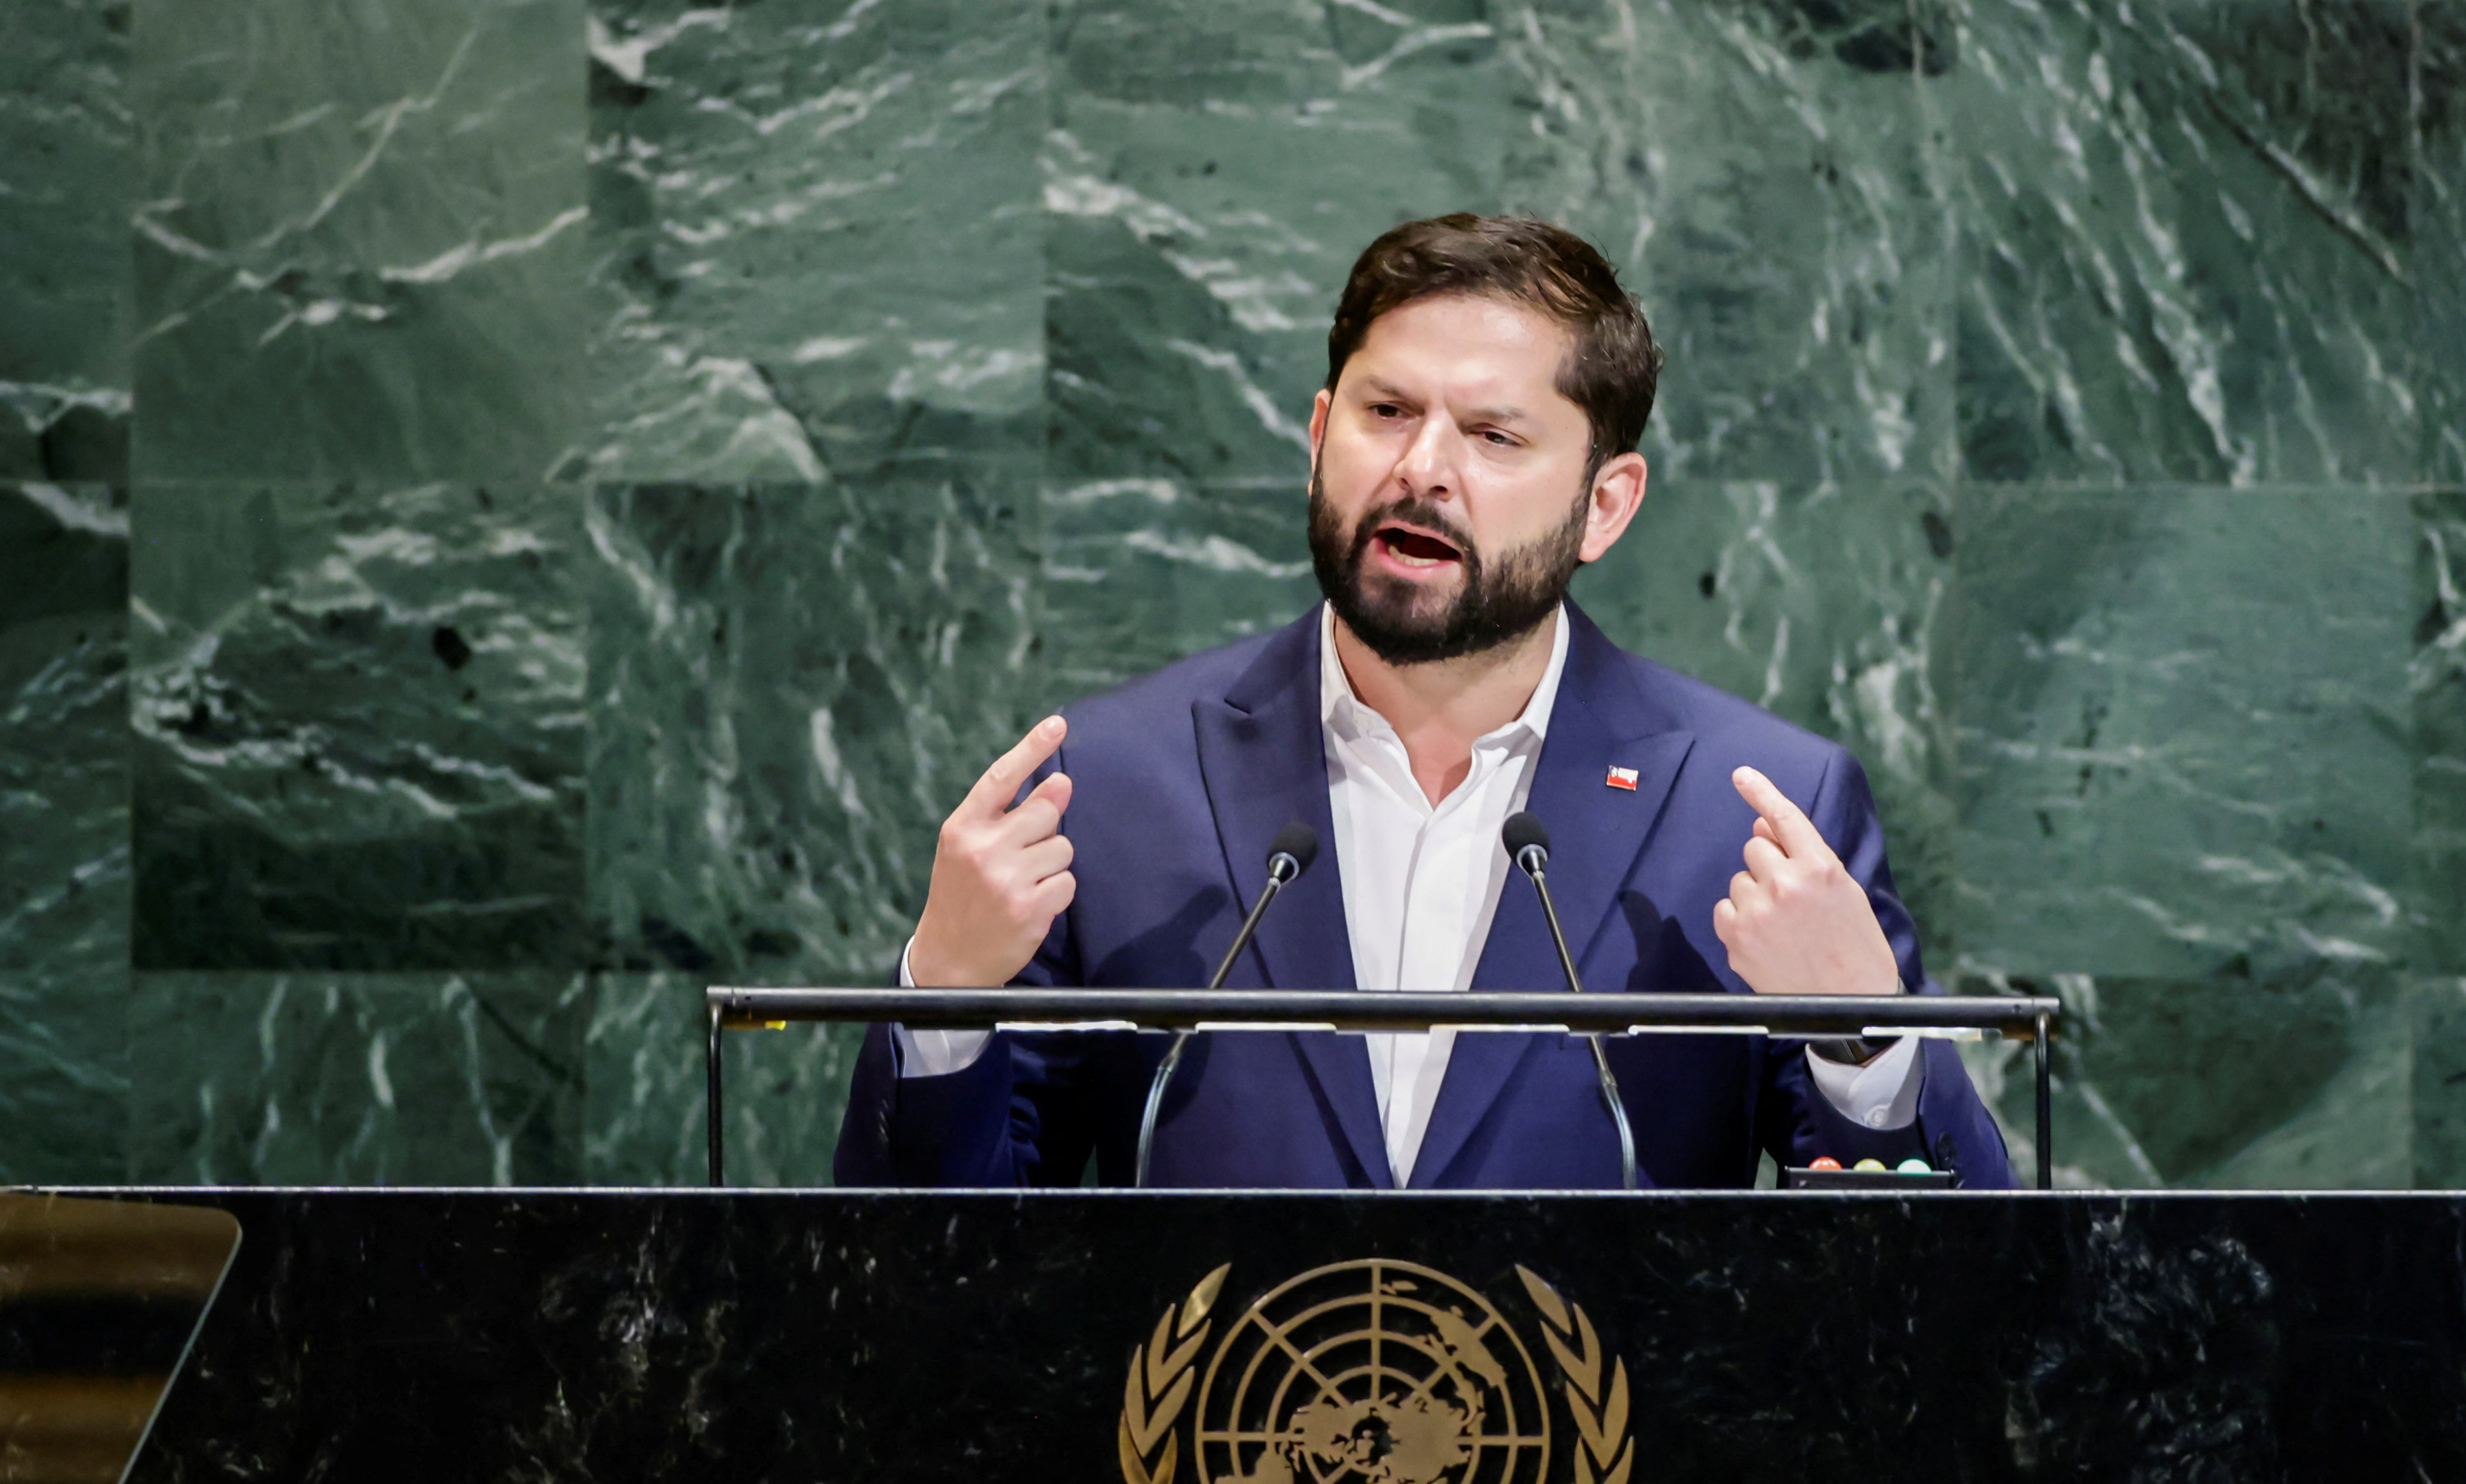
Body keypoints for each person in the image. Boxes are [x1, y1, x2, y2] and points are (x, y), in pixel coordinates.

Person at [832, 214, 2012, 1190]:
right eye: (1386, 413)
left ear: (1606, 506)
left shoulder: (1754, 812)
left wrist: (1868, 1035)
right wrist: (946, 993)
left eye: (1494, 435)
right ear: (1316, 437)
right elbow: (924, 1286)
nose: (1421, 468)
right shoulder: (1110, 785)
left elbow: (1952, 1307)